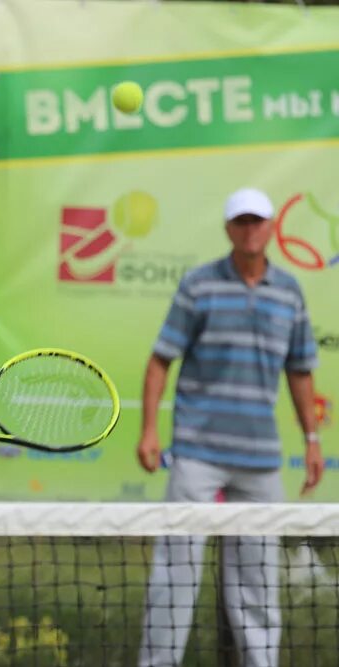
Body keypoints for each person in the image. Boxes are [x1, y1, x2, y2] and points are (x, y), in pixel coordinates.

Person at [136, 188, 323, 667]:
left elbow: (300, 371)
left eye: (257, 220)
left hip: (260, 460)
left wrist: (313, 440)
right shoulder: (198, 285)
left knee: (258, 581)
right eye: (241, 221)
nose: (250, 229)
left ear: (270, 227)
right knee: (176, 573)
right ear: (228, 229)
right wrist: (150, 431)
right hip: (197, 454)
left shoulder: (290, 292)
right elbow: (161, 361)